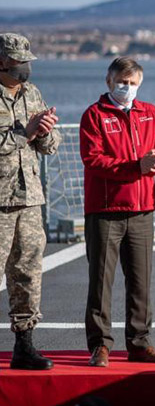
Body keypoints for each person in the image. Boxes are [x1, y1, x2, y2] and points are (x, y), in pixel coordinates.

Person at [79, 57, 155, 366]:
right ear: (109, 82)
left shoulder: (151, 113)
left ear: (140, 84)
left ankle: (140, 342)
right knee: (100, 281)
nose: (127, 88)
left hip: (143, 209)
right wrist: (136, 167)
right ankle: (100, 345)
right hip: (105, 210)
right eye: (122, 82)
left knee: (141, 281)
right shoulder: (94, 115)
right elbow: (93, 159)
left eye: (132, 83)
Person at [0, 33, 60, 370]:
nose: (23, 66)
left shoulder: (31, 93)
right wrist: (27, 132)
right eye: (15, 60)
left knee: (28, 272)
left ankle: (24, 344)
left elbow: (49, 146)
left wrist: (46, 130)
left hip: (29, 199)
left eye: (26, 60)